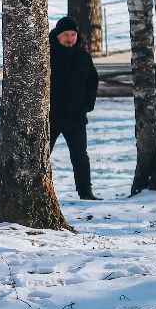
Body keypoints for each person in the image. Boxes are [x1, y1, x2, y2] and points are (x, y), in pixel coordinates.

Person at [48, 16, 100, 200]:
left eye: (73, 34)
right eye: (65, 35)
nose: (69, 38)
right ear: (57, 35)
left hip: (76, 116)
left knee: (80, 157)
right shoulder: (47, 54)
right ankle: (38, 191)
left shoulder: (82, 56)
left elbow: (92, 82)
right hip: (50, 117)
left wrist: (87, 106)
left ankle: (85, 193)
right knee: (42, 155)